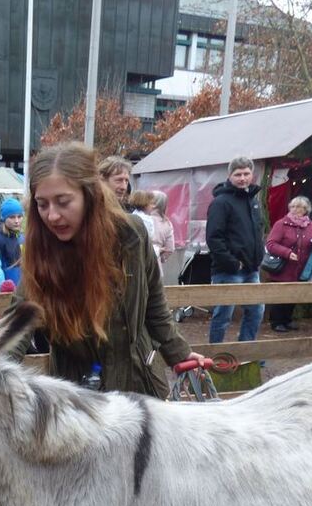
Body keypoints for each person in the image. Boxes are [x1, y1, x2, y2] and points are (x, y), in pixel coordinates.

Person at [20, 142, 204, 396]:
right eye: (42, 204)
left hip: (139, 384)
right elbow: (17, 324)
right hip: (76, 396)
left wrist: (179, 353)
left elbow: (154, 305)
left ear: (90, 195)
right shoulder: (41, 253)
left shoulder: (132, 235)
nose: (52, 216)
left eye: (63, 202)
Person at [205, 156, 265, 344]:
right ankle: (215, 356)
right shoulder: (221, 202)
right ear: (229, 176)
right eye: (238, 174)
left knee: (256, 311)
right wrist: (231, 263)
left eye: (246, 173)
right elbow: (214, 237)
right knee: (223, 315)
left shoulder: (253, 201)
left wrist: (258, 257)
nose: (242, 178)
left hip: (251, 269)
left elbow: (258, 231)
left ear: (252, 175)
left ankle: (245, 351)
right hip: (228, 270)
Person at [264, 196, 312, 332]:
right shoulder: (281, 224)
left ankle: (287, 320)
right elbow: (271, 244)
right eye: (293, 206)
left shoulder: (310, 225)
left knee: (294, 294)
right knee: (280, 295)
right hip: (283, 267)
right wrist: (287, 253)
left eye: (299, 207)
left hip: (301, 268)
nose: (295, 209)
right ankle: (276, 322)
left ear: (306, 210)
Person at [0, 197, 25, 283]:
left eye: (19, 216)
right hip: (7, 286)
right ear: (4, 218)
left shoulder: (22, 237)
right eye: (12, 217)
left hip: (24, 283)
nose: (17, 221)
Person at [147, 191, 176, 268]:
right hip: (156, 266)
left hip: (140, 265)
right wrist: (161, 258)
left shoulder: (141, 219)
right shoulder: (167, 224)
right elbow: (170, 248)